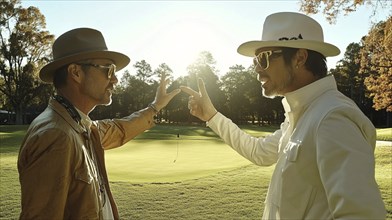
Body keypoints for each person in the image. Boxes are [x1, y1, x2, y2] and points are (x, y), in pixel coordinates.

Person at [181, 12, 386, 219]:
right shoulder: (301, 115)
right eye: (255, 61)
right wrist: (212, 116)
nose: (257, 69)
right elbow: (259, 152)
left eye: (264, 58)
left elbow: (362, 215)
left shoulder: (333, 117)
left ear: (299, 57)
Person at [17, 27, 180, 219]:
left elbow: (118, 129)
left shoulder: (78, 125)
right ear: (76, 72)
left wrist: (155, 106)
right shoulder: (55, 135)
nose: (115, 79)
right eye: (108, 70)